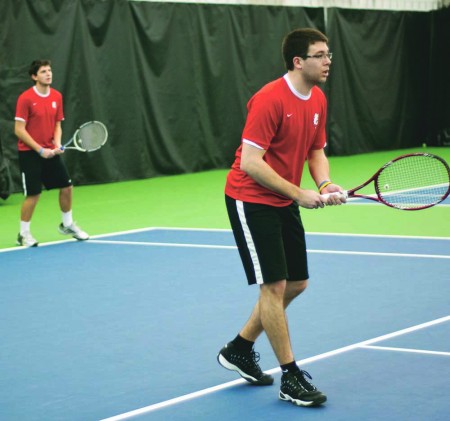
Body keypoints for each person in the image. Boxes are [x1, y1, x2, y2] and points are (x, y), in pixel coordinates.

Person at [217, 28, 345, 407]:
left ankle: (239, 348)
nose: (327, 61)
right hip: (251, 197)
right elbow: (252, 164)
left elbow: (316, 151)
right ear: (298, 61)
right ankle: (291, 377)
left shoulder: (317, 99)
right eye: (320, 55)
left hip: (283, 198)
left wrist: (323, 185)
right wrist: (299, 194)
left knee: (297, 283)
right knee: (273, 286)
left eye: (329, 54)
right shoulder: (270, 99)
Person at [14, 59, 89, 247]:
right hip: (30, 153)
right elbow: (19, 130)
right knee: (34, 194)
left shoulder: (56, 96)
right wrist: (39, 150)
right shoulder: (26, 98)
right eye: (43, 72)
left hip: (49, 151)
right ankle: (23, 234)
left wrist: (56, 143)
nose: (48, 74)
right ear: (34, 76)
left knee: (67, 186)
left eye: (49, 70)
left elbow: (57, 125)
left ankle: (67, 224)